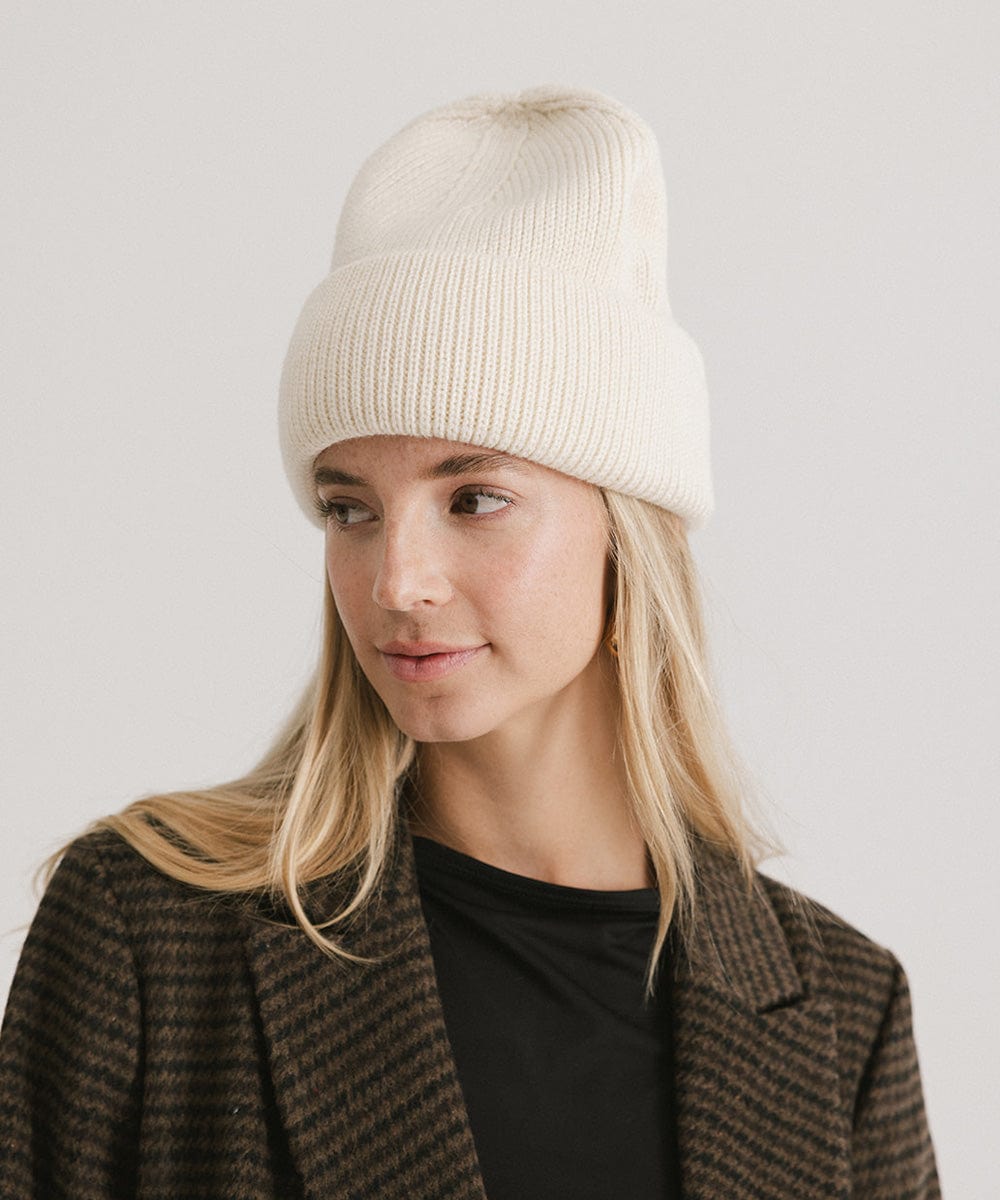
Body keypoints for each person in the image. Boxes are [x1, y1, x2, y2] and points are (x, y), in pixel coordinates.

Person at [0, 82, 939, 1199]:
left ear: (626, 529)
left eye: (475, 498)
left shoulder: (840, 1012)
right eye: (349, 508)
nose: (397, 582)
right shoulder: (148, 931)